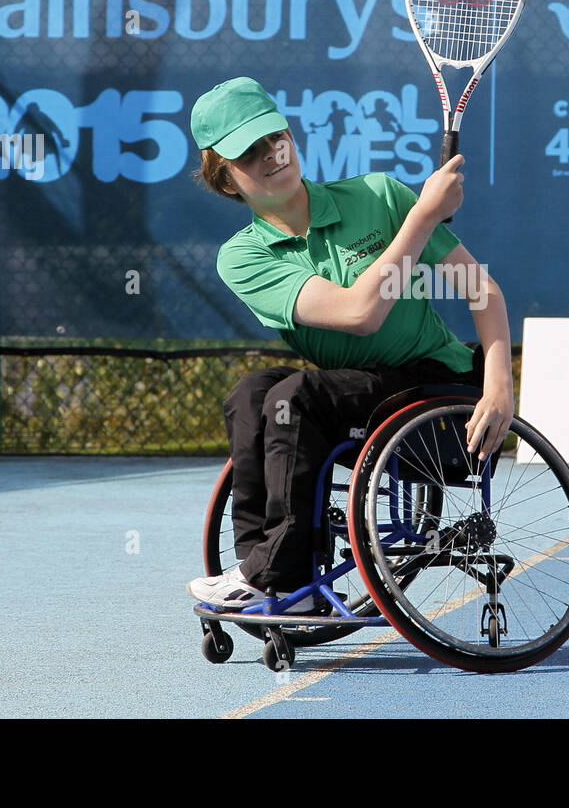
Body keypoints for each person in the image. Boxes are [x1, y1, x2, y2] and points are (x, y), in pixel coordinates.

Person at [185, 77, 514, 610]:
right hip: (357, 397)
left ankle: (274, 573)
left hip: (436, 391)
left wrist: (499, 384)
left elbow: (482, 289)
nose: (271, 154)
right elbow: (359, 313)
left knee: (294, 397)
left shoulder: (380, 195)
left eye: (275, 137)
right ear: (226, 180)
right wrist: (424, 215)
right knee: (251, 395)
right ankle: (275, 578)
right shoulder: (242, 257)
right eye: (248, 152)